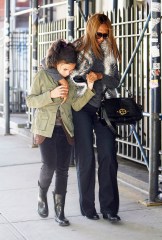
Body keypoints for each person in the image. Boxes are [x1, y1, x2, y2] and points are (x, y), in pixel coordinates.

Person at [26, 40, 95, 226]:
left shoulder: (69, 82)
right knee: (49, 165)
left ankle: (60, 211)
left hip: (65, 130)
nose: (68, 73)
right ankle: (41, 195)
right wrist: (51, 94)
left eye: (71, 70)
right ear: (56, 63)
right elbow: (30, 101)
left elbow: (76, 104)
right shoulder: (41, 76)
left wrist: (89, 89)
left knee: (63, 171)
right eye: (65, 69)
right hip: (45, 130)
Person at [70, 13, 121, 222]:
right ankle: (88, 207)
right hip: (82, 106)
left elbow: (115, 81)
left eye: (105, 35)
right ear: (91, 31)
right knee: (87, 158)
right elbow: (68, 75)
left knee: (108, 156)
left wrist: (100, 76)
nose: (102, 39)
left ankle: (109, 209)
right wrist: (85, 78)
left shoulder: (110, 50)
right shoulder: (77, 48)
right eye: (99, 34)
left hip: (104, 108)